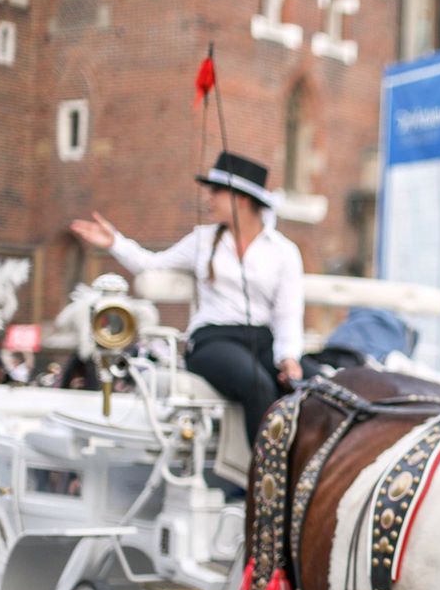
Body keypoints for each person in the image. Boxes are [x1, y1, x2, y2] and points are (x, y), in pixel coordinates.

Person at [70, 152, 304, 445]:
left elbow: (287, 313)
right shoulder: (203, 240)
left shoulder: (283, 251)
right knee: (256, 385)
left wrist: (289, 359)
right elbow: (151, 263)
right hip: (214, 340)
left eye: (216, 192)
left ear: (241, 199)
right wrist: (115, 242)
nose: (209, 199)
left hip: (261, 340)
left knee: (306, 386)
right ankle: (263, 478)